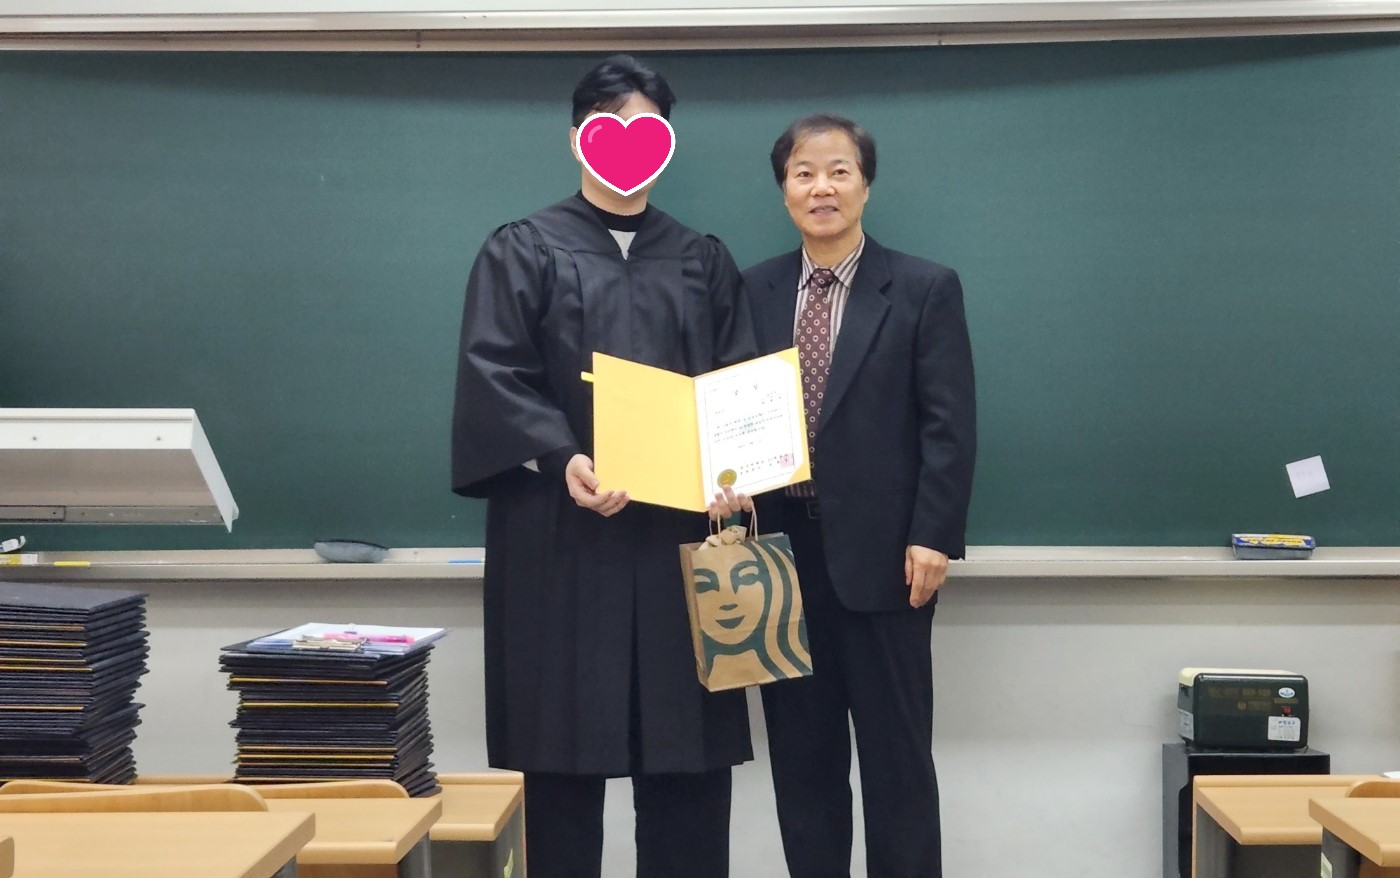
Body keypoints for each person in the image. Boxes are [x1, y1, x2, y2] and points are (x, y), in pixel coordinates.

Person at [451, 55, 757, 878]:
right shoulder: (524, 249)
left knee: (688, 763)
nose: (629, 141)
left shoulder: (701, 259)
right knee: (560, 762)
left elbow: (736, 383)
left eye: (647, 127)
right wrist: (561, 456)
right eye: (611, 124)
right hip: (561, 538)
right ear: (578, 137)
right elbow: (493, 372)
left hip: (679, 546)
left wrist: (735, 472)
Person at [712, 113, 976, 877]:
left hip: (890, 561)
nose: (821, 187)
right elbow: (727, 405)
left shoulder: (924, 287)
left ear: (865, 185)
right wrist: (722, 483)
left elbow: (949, 425)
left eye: (838, 172)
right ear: (784, 190)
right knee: (803, 768)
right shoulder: (752, 289)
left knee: (898, 765)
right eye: (804, 173)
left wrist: (934, 534)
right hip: (778, 562)